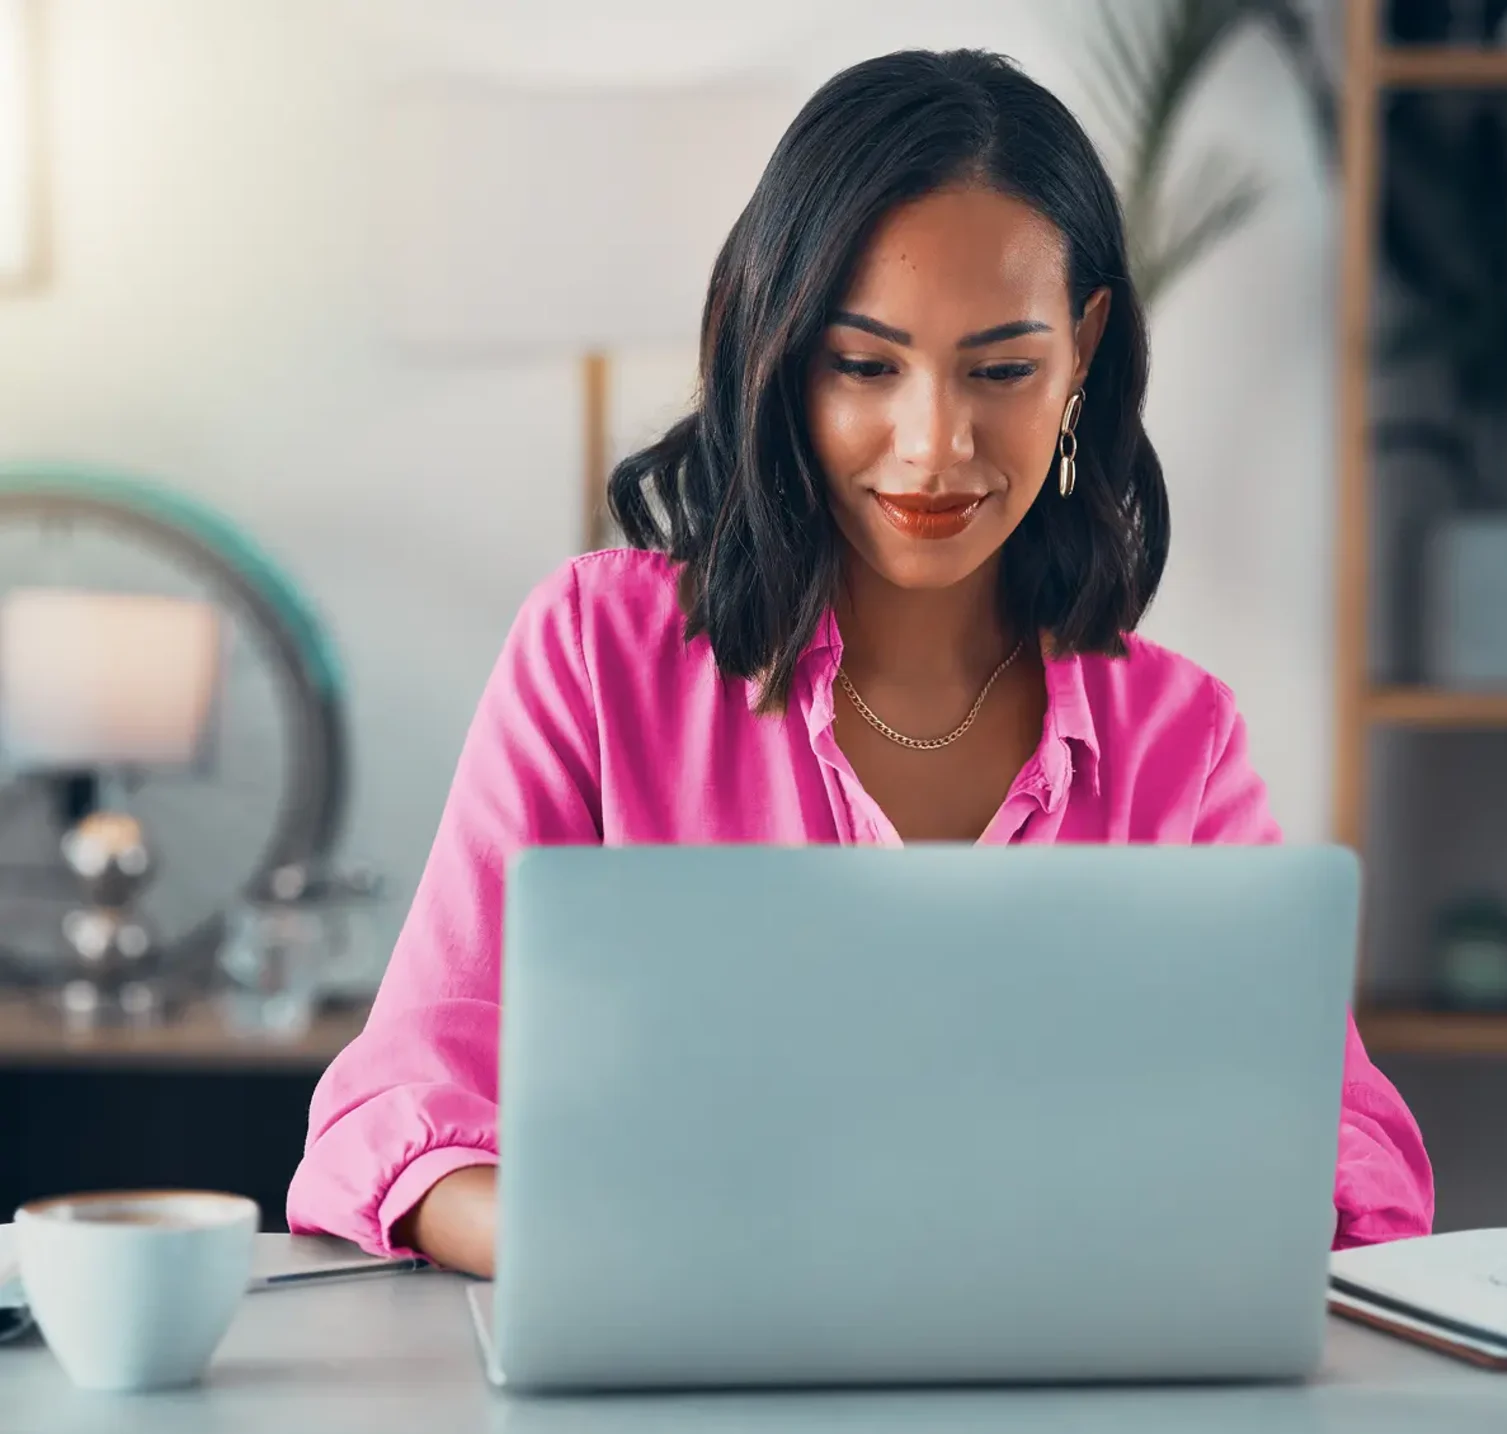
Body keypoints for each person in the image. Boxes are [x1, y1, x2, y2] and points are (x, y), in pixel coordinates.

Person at [288, 48, 1432, 1278]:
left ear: (1084, 353)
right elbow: (393, 1110)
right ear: (779, 356)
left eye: (1002, 370)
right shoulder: (596, 656)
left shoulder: (1176, 740)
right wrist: (608, 1256)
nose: (934, 445)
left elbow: (1347, 1148)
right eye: (864, 365)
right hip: (673, 1355)